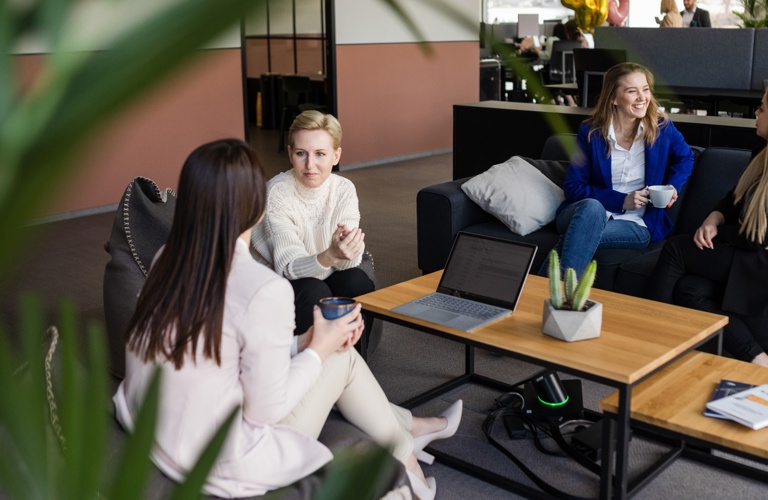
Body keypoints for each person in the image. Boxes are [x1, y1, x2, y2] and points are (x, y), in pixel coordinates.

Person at [112, 139, 462, 499]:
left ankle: (411, 430)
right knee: (341, 357)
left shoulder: (168, 258)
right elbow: (267, 409)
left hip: (155, 428)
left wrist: (305, 341)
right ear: (257, 208)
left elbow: (216, 348)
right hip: (222, 460)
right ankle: (408, 464)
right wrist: (319, 351)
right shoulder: (262, 288)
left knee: (326, 346)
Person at [538, 62, 694, 278]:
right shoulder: (591, 132)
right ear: (613, 98)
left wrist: (673, 186)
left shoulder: (662, 128)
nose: (642, 97)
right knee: (592, 210)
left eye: (645, 89)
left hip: (636, 222)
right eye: (632, 91)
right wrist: (621, 201)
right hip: (583, 213)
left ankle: (539, 295)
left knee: (578, 236)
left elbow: (686, 157)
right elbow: (573, 187)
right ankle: (558, 300)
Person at [649, 90, 768, 367]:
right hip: (750, 252)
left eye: (761, 109)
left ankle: (653, 337)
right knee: (691, 289)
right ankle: (759, 359)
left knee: (676, 249)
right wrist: (712, 220)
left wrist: (720, 234)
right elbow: (733, 199)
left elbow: (757, 237)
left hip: (760, 260)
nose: (756, 114)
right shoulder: (761, 150)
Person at [252, 110, 374, 340]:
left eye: (320, 154)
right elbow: (288, 269)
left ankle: (355, 360)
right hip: (279, 281)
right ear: (290, 154)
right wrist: (331, 255)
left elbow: (351, 262)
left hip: (322, 269)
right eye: (301, 153)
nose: (310, 165)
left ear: (336, 156)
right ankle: (315, 368)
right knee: (313, 290)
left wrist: (347, 250)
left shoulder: (343, 189)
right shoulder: (275, 193)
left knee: (356, 281)